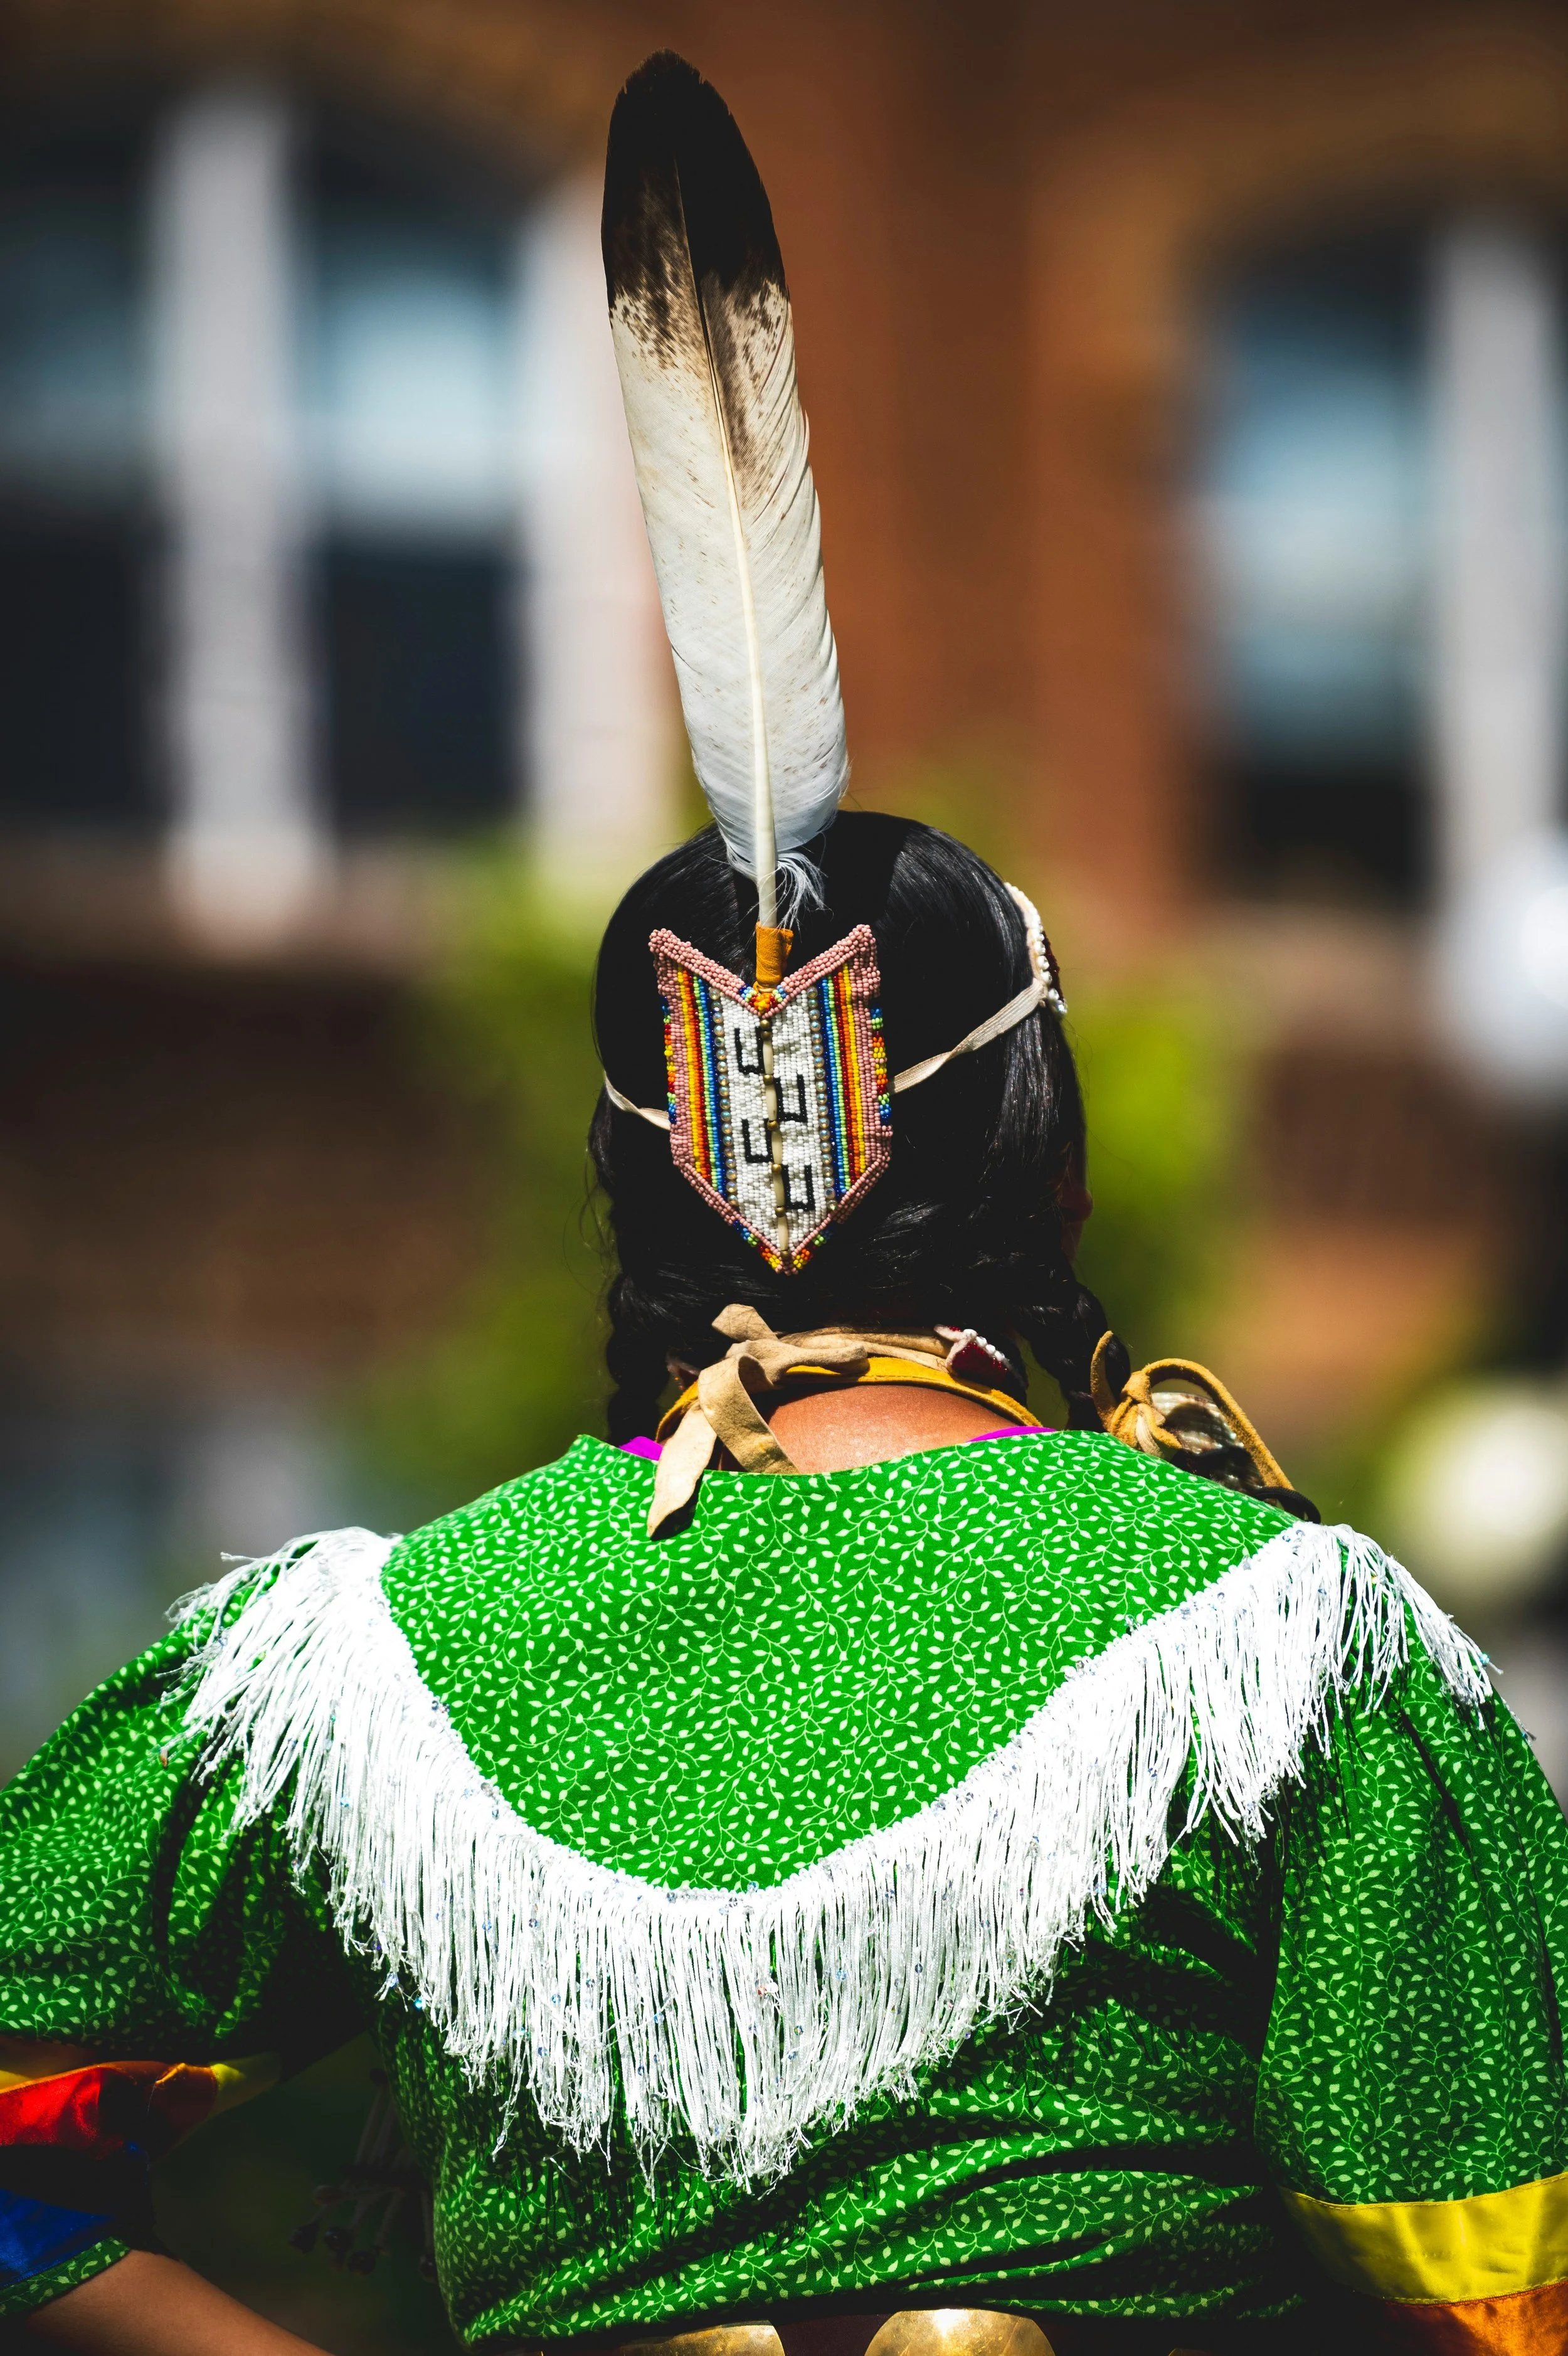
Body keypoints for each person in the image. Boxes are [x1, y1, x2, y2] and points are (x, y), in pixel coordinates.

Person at [3, 49, 1567, 2356]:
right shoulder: (1279, 1643)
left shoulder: (353, 1668)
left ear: (639, 1183)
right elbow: (1503, 2284)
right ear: (1037, 1149)